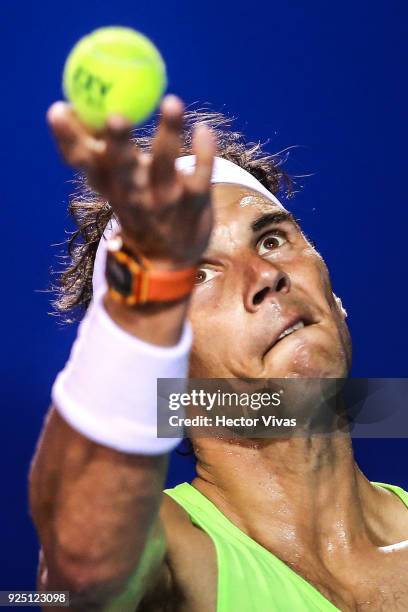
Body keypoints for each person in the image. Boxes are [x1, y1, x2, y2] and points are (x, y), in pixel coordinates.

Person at [29, 95, 408, 612]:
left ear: (334, 298)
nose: (265, 278)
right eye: (197, 275)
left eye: (272, 241)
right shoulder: (170, 559)